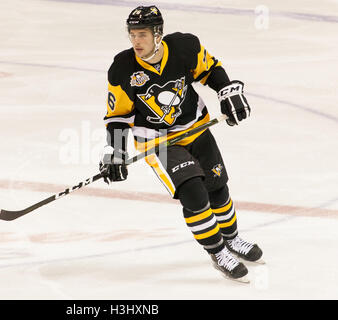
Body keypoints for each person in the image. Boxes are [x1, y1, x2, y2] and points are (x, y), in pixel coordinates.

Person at [99, 5, 263, 281]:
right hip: (158, 142)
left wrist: (226, 91)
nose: (136, 41)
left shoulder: (185, 47)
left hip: (196, 128)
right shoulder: (122, 68)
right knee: (194, 194)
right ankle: (218, 251)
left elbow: (210, 70)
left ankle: (232, 239)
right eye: (132, 35)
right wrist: (115, 150)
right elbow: (118, 115)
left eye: (142, 34)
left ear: (158, 33)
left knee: (218, 189)